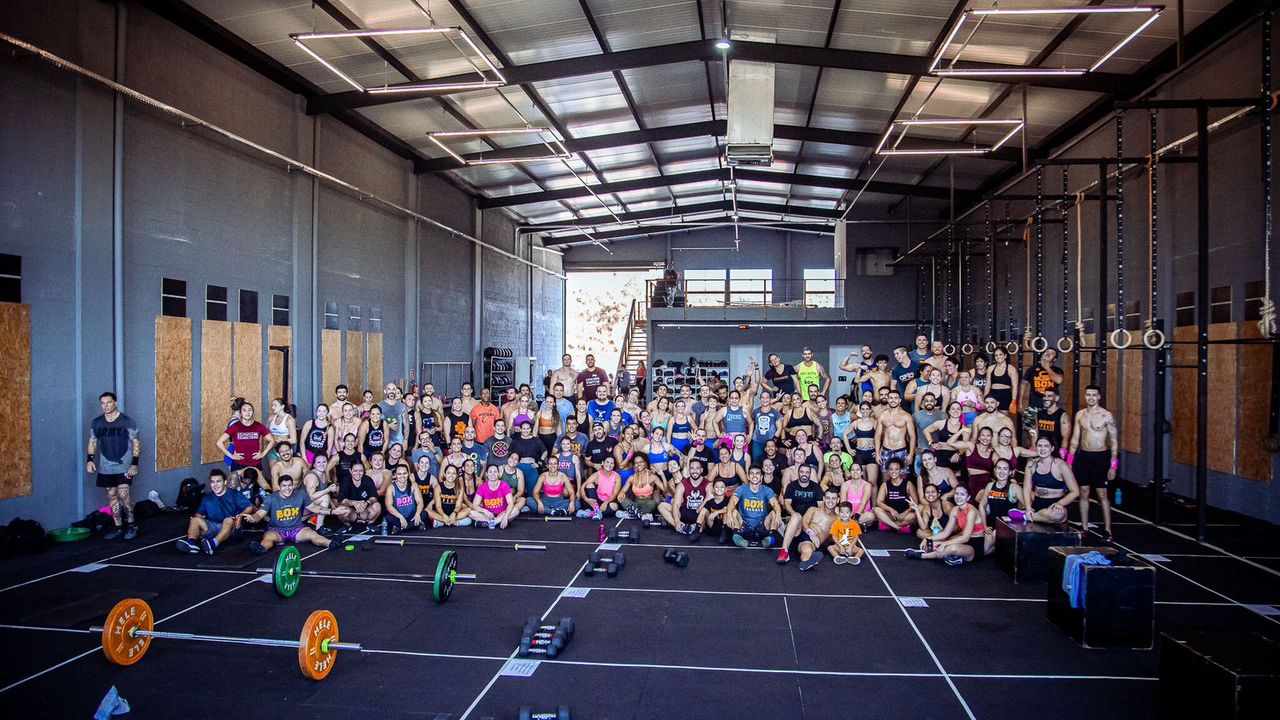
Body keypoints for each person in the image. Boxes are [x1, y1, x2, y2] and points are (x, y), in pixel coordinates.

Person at [87, 392, 142, 540]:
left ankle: (131, 525)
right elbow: (93, 441)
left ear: (115, 403)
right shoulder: (97, 422)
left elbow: (136, 442)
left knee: (124, 496)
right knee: (112, 496)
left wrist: (134, 464)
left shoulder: (127, 421)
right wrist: (90, 460)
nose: (106, 406)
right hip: (106, 467)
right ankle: (118, 527)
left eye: (109, 402)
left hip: (124, 465)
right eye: (103, 403)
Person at [1068, 384, 1118, 539]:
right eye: (1088, 395)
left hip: (1101, 457)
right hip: (1084, 457)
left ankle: (1108, 530)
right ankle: (1084, 527)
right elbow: (1075, 439)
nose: (1090, 398)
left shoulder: (1106, 416)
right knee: (1083, 492)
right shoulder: (1080, 415)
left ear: (1099, 397)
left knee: (1102, 495)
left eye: (1094, 395)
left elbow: (1114, 441)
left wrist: (1113, 465)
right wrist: (1069, 461)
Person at [905, 485, 992, 565]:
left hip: (975, 546)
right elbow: (946, 533)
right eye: (957, 494)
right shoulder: (955, 510)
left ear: (968, 497)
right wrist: (928, 538)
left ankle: (922, 556)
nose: (958, 497)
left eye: (962, 494)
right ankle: (954, 557)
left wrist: (944, 544)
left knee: (951, 548)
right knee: (931, 544)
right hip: (963, 541)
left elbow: (965, 537)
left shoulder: (971, 511)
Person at [246, 474, 335, 553]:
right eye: (284, 486)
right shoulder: (271, 498)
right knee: (268, 537)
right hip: (277, 530)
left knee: (313, 534)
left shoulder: (301, 494)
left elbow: (315, 508)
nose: (287, 488)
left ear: (293, 486)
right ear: (279, 487)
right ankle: (261, 548)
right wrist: (253, 518)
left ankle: (331, 543)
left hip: (297, 529)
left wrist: (332, 511)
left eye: (289, 485)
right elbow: (259, 514)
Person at [177, 469, 254, 554]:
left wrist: (241, 515)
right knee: (194, 520)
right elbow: (199, 514)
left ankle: (213, 544)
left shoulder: (234, 494)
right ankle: (192, 544)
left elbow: (249, 507)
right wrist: (196, 521)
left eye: (218, 481)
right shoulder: (207, 498)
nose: (215, 485)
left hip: (232, 529)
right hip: (214, 527)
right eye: (212, 482)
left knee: (228, 520)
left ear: (225, 482)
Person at [1023, 436, 1082, 524]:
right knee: (1049, 516)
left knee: (1057, 516)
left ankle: (1027, 516)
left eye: (1046, 446)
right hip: (1037, 503)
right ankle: (1034, 515)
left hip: (1056, 505)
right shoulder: (1031, 465)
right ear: (1036, 448)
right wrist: (1028, 508)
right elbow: (1026, 489)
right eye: (1039, 446)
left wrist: (1060, 503)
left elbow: (1075, 491)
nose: (1042, 449)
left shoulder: (1061, 465)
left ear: (1052, 448)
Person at [777, 463, 824, 563]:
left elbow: (821, 507)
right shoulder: (791, 486)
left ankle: (807, 561)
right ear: (798, 473)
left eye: (807, 472)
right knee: (796, 516)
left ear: (810, 474)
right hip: (795, 526)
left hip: (809, 526)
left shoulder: (816, 487)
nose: (804, 474)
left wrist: (812, 524)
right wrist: (795, 515)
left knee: (807, 549)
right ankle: (784, 551)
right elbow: (787, 504)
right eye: (802, 472)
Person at [726, 466, 783, 548]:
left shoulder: (767, 490)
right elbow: (732, 502)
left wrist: (778, 515)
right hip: (744, 525)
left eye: (757, 473)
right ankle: (737, 536)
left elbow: (775, 504)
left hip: (762, 526)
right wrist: (729, 514)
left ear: (761, 477)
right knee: (733, 512)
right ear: (748, 476)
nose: (754, 475)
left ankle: (771, 538)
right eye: (752, 473)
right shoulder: (741, 489)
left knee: (774, 513)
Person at [660, 458, 709, 536]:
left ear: (701, 470)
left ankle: (697, 528)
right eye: (692, 468)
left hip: (700, 514)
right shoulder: (680, 484)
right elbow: (676, 503)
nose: (695, 470)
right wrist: (676, 521)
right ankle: (681, 527)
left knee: (706, 511)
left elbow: (710, 499)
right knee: (661, 506)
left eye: (697, 468)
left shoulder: (708, 484)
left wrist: (700, 508)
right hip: (685, 511)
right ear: (689, 470)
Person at [794, 489, 841, 571]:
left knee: (809, 548)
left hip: (817, 543)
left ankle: (807, 563)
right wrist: (811, 533)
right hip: (804, 535)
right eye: (828, 498)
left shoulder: (838, 519)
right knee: (807, 548)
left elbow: (834, 537)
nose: (830, 501)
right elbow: (804, 522)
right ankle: (806, 561)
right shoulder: (813, 509)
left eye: (833, 498)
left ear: (838, 500)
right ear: (824, 499)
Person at [874, 390, 916, 475]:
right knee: (885, 477)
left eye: (896, 398)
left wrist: (911, 454)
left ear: (899, 400)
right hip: (886, 450)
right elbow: (877, 435)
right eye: (891, 398)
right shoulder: (882, 416)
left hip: (901, 450)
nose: (893, 400)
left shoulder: (906, 416)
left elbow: (912, 436)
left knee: (902, 477)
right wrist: (877, 453)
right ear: (888, 399)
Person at [873, 458, 918, 533]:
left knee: (916, 513)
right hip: (891, 515)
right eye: (891, 469)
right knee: (876, 510)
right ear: (888, 471)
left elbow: (915, 502)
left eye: (896, 469)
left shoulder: (908, 484)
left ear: (901, 471)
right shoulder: (885, 485)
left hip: (905, 515)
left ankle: (889, 525)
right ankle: (897, 527)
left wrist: (905, 512)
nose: (893, 471)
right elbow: (879, 502)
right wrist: (891, 509)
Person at [470, 464, 519, 529]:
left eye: (495, 472)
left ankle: (493, 522)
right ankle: (498, 522)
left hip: (502, 514)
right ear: (486, 474)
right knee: (471, 513)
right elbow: (475, 505)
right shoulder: (482, 487)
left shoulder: (504, 485)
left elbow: (510, 503)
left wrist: (505, 517)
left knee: (516, 511)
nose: (493, 474)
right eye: (490, 472)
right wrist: (485, 511)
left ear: (498, 474)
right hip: (488, 515)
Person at [336, 462, 382, 527]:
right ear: (350, 471)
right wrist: (354, 503)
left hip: (364, 510)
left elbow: (374, 497)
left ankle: (370, 523)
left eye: (361, 471)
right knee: (340, 509)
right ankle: (347, 525)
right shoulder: (345, 480)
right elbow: (341, 499)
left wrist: (367, 503)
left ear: (364, 471)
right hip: (351, 511)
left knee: (377, 506)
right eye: (355, 471)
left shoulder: (368, 479)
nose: (358, 473)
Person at [616, 455, 661, 521]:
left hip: (648, 503)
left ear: (645, 463)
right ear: (634, 466)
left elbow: (665, 489)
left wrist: (661, 475)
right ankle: (642, 515)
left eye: (641, 462)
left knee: (653, 503)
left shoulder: (651, 476)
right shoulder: (631, 477)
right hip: (635, 504)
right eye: (636, 463)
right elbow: (623, 490)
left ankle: (630, 514)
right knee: (621, 498)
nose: (639, 464)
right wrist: (621, 493)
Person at [978, 458, 1022, 526]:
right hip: (991, 526)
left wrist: (1018, 523)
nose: (1001, 471)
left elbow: (1027, 507)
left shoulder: (1015, 488)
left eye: (1005, 469)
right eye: (999, 468)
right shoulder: (990, 486)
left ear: (1010, 472)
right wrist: (985, 526)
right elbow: (982, 505)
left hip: (1008, 527)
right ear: (995, 470)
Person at [383, 464, 425, 532]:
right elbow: (389, 506)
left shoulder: (413, 485)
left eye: (404, 473)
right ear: (395, 475)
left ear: (408, 474)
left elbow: (420, 502)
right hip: (398, 517)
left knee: (425, 513)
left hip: (412, 516)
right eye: (399, 474)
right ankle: (413, 526)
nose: (402, 476)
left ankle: (402, 528)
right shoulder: (391, 488)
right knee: (388, 517)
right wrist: (400, 517)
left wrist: (417, 514)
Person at [579, 454, 621, 519]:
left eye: (612, 463)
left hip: (608, 501)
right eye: (607, 462)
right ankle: (596, 511)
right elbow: (583, 487)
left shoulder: (617, 476)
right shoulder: (597, 474)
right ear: (603, 463)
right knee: (589, 485)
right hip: (596, 501)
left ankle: (591, 513)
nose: (609, 465)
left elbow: (615, 494)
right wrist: (586, 499)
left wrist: (606, 503)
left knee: (614, 506)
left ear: (614, 465)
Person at [909, 482, 950, 548]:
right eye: (927, 492)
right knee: (919, 532)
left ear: (938, 494)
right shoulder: (927, 508)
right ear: (924, 496)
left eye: (933, 492)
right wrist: (916, 509)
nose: (930, 494)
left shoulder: (946, 505)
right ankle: (937, 542)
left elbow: (956, 525)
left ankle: (938, 542)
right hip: (937, 534)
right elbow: (923, 527)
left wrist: (944, 532)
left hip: (949, 533)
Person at [1034, 387, 1071, 453]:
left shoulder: (1063, 415)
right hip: (1041, 451)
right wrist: (1032, 451)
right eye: (1045, 396)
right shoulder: (1039, 414)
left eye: (1049, 396)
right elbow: (1035, 434)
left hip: (1055, 452)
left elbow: (1065, 439)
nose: (1046, 398)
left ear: (1056, 398)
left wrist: (1062, 455)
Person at [750, 391, 783, 465]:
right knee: (756, 462)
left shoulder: (775, 413)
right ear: (760, 399)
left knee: (770, 462)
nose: (765, 400)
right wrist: (750, 434)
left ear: (770, 399)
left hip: (770, 442)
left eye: (767, 398)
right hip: (757, 442)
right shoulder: (756, 411)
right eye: (763, 398)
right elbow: (751, 423)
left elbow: (780, 428)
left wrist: (773, 440)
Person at [985, 346, 1019, 413]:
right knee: (991, 416)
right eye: (996, 355)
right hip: (993, 395)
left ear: (1005, 356)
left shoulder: (1011, 369)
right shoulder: (990, 368)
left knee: (1004, 416)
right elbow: (988, 384)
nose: (998, 357)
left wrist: (1013, 400)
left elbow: (1015, 386)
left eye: (1000, 354)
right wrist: (985, 398)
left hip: (1005, 395)